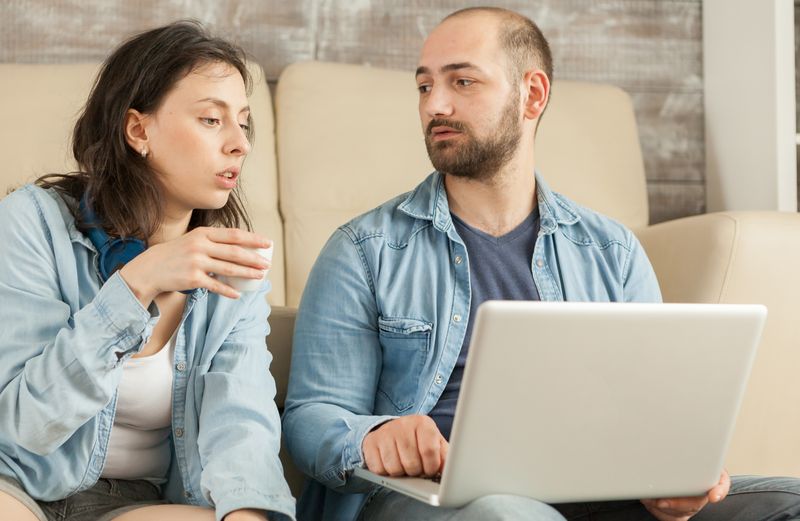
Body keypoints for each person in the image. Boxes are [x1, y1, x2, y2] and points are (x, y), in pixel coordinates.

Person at [282, 7, 800, 521]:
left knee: (788, 502)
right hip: (424, 500)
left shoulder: (613, 253)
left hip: (594, 494)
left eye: (462, 82)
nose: (435, 104)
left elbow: (652, 416)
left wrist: (675, 474)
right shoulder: (364, 249)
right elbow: (310, 419)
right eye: (424, 87)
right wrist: (375, 435)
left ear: (532, 94)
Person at [0, 21, 295, 521]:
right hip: (17, 481)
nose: (239, 144)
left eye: (242, 122)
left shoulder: (235, 269)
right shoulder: (32, 224)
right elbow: (24, 425)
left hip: (135, 502)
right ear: (138, 130)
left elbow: (242, 423)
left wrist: (250, 512)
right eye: (210, 120)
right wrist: (137, 284)